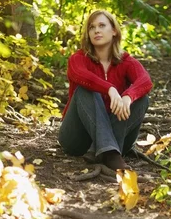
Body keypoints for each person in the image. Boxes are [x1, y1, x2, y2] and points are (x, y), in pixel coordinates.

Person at [58, 10, 153, 171]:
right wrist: (110, 88)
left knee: (142, 99)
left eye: (102, 25)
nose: (96, 30)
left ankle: (102, 150)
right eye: (92, 27)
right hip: (77, 138)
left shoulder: (126, 62)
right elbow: (79, 74)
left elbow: (145, 81)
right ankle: (110, 154)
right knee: (85, 90)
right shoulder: (78, 59)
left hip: (117, 136)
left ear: (114, 31)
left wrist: (128, 97)